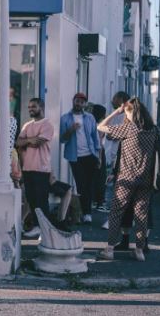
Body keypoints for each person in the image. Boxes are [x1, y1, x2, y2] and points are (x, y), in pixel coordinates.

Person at [97, 98, 160, 262]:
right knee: (141, 215)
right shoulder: (153, 130)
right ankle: (139, 251)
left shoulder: (128, 128)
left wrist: (115, 112)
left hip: (126, 178)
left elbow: (100, 127)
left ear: (130, 111)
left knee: (116, 213)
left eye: (125, 112)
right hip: (146, 179)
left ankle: (109, 249)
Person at [60, 93, 101, 224]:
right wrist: (71, 130)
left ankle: (87, 213)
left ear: (85, 104)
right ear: (73, 101)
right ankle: (85, 212)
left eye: (82, 102)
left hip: (90, 155)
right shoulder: (65, 118)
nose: (79, 103)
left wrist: (99, 156)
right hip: (75, 157)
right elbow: (62, 139)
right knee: (81, 185)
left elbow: (96, 138)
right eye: (77, 101)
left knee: (89, 185)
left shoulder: (90, 118)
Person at [16, 98, 54, 237]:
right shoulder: (27, 125)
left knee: (41, 201)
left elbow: (37, 143)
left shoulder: (47, 124)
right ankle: (38, 227)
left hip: (41, 168)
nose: (31, 109)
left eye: (34, 106)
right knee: (31, 200)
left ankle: (45, 230)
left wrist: (28, 141)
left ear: (41, 107)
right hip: (27, 167)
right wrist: (29, 140)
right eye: (29, 107)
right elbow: (18, 142)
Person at [101, 91, 130, 229]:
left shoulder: (124, 116)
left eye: (114, 98)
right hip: (112, 157)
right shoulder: (119, 116)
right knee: (115, 190)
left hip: (118, 159)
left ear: (121, 101)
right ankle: (118, 219)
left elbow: (114, 134)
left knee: (115, 191)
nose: (112, 100)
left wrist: (113, 135)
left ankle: (113, 220)